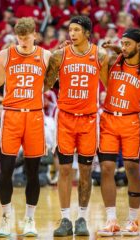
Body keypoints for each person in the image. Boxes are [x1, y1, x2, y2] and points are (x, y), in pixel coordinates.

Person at [44, 15, 109, 237]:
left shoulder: (100, 55)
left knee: (85, 170)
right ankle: (64, 219)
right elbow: (46, 84)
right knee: (63, 170)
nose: (71, 34)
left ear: (87, 33)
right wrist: (48, 58)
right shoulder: (60, 55)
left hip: (90, 119)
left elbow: (109, 84)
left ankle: (82, 217)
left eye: (76, 30)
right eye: (70, 30)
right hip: (66, 118)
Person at [0, 17, 51, 237]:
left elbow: (53, 80)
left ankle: (30, 219)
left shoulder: (45, 55)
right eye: (20, 37)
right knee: (5, 171)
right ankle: (6, 217)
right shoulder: (5, 55)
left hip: (34, 117)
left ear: (35, 35)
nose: (23, 41)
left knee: (32, 173)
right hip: (11, 116)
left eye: (27, 37)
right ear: (16, 36)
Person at [96, 28, 140, 237]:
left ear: (139, 45)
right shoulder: (113, 62)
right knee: (106, 168)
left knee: (131, 167)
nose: (123, 47)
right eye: (122, 43)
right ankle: (111, 220)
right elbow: (98, 58)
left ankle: (132, 220)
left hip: (131, 120)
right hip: (109, 118)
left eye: (128, 44)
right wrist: (113, 48)